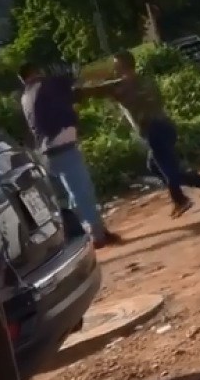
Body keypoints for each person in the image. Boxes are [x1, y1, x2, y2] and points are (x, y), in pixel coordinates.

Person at [110, 50, 200, 218]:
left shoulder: (124, 88)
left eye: (116, 66)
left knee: (168, 171)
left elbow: (118, 96)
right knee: (156, 167)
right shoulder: (143, 81)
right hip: (164, 127)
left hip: (154, 130)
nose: (114, 69)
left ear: (123, 67)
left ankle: (182, 199)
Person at [18, 62, 122, 249]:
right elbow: (74, 86)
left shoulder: (26, 96)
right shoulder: (47, 85)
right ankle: (98, 235)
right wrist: (110, 86)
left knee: (74, 195)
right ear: (36, 72)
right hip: (62, 147)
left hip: (46, 151)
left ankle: (88, 232)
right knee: (83, 192)